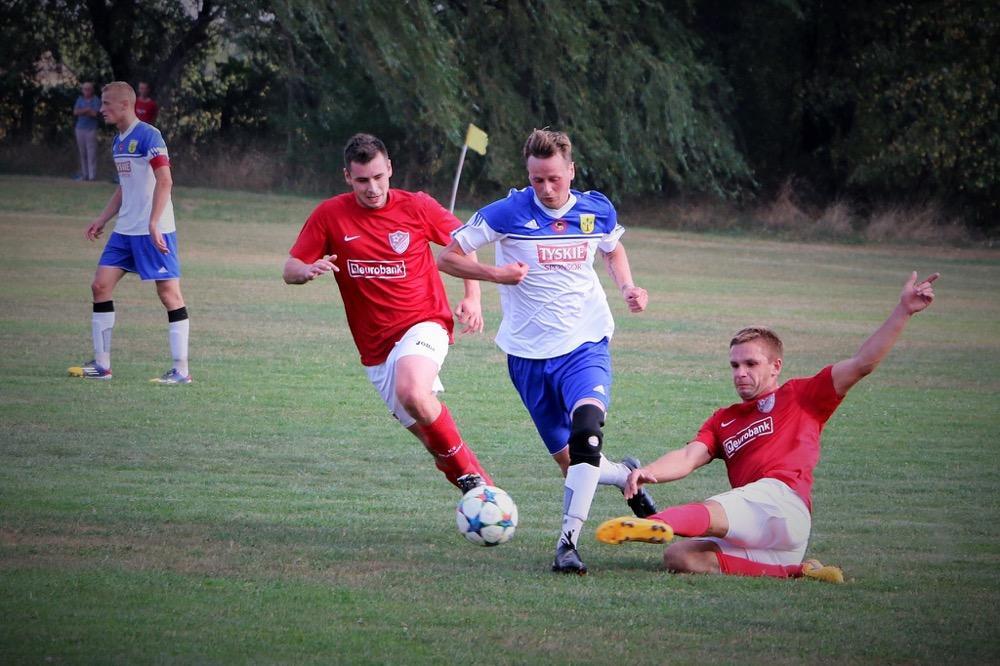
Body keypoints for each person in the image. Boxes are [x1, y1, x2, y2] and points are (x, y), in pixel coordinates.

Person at [595, 272, 940, 583]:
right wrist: (648, 472)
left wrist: (904, 311)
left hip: (783, 503)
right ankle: (799, 571)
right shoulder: (723, 420)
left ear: (776, 367)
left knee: (715, 510)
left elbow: (863, 363)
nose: (740, 372)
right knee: (680, 557)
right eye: (734, 365)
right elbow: (688, 457)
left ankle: (660, 523)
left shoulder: (803, 395)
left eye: (750, 363)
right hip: (765, 533)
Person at [437, 128, 657, 574]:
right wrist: (497, 276)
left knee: (587, 430)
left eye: (554, 178)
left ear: (571, 170)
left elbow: (612, 250)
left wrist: (629, 287)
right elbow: (447, 257)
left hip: (585, 344)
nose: (547, 188)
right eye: (537, 180)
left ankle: (567, 544)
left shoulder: (597, 207)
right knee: (573, 461)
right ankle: (623, 473)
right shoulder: (507, 212)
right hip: (528, 356)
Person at [283, 133, 494, 494]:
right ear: (348, 177)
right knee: (432, 438)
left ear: (390, 169)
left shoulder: (417, 206)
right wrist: (305, 271)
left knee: (413, 390)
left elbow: (465, 243)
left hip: (424, 323)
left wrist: (473, 297)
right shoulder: (330, 215)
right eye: (363, 180)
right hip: (375, 350)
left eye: (379, 177)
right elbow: (291, 267)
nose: (373, 188)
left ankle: (475, 486)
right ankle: (485, 492)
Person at [68, 81, 191, 385]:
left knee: (169, 295)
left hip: (155, 230)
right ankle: (102, 365)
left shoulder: (149, 136)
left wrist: (153, 222)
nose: (101, 109)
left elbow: (165, 181)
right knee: (100, 286)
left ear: (125, 105)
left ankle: (181, 371)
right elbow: (125, 189)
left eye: (107, 104)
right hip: (125, 230)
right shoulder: (118, 141)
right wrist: (103, 218)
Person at [73, 82, 101, 181]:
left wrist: (83, 111)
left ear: (92, 90)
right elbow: (76, 112)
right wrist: (87, 110)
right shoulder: (79, 99)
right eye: (84, 89)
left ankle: (92, 176)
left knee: (91, 153)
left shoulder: (96, 100)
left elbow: (95, 113)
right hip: (79, 128)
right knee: (82, 152)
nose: (86, 91)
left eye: (88, 89)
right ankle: (84, 174)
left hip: (91, 129)